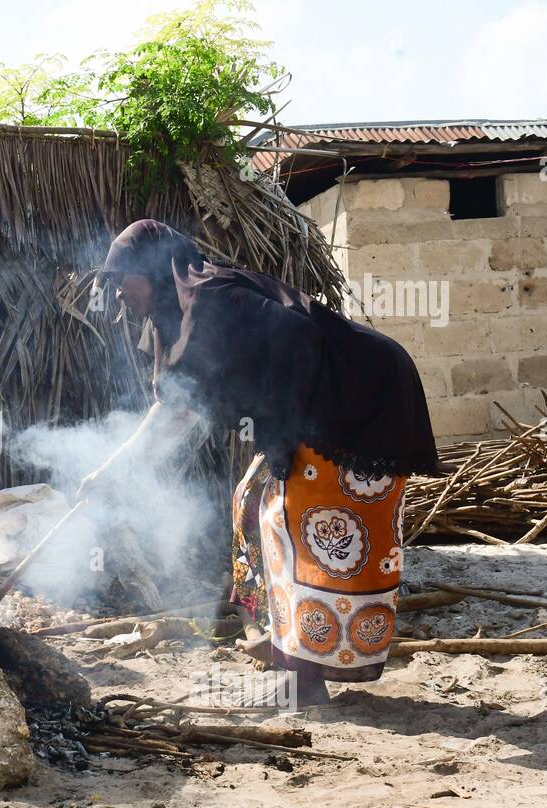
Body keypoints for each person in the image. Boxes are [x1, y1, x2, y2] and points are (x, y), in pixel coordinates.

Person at [82, 220, 439, 705]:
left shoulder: (212, 300)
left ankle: (304, 681)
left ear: (150, 270)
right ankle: (289, 656)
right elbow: (176, 411)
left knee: (299, 525)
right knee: (253, 507)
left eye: (121, 278)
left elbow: (298, 338)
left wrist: (282, 429)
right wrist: (114, 471)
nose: (117, 293)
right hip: (327, 406)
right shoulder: (176, 319)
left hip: (362, 397)